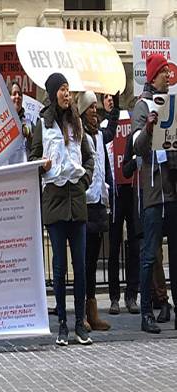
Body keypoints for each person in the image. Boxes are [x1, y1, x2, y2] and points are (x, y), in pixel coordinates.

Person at [29, 73, 94, 346]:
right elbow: (32, 157)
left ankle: (80, 323)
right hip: (55, 200)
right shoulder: (42, 124)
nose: (67, 94)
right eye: (63, 90)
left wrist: (85, 180)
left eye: (69, 90)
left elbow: (89, 158)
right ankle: (63, 326)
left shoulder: (76, 122)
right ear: (54, 92)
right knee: (58, 267)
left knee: (80, 265)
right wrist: (40, 166)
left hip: (76, 199)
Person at [132, 53, 177, 334]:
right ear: (153, 75)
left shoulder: (173, 105)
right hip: (152, 195)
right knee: (150, 255)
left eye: (170, 74)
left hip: (172, 192)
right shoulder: (141, 106)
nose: (169, 78)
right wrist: (149, 126)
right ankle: (146, 311)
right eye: (164, 73)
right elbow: (136, 145)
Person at [103, 93, 141, 315]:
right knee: (114, 245)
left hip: (132, 187)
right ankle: (114, 297)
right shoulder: (104, 125)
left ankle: (132, 296)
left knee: (134, 244)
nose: (109, 100)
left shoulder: (129, 117)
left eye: (111, 96)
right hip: (115, 190)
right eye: (105, 97)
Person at [78, 91, 112, 331]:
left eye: (95, 107)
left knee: (93, 259)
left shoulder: (99, 136)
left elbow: (104, 166)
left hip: (100, 201)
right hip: (86, 202)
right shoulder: (80, 136)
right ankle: (82, 313)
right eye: (90, 107)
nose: (94, 111)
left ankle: (93, 311)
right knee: (85, 262)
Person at [8, 82, 34, 164]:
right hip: (7, 172)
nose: (17, 97)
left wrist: (30, 137)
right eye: (14, 94)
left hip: (24, 172)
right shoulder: (1, 124)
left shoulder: (29, 123)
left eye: (19, 94)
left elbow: (35, 150)